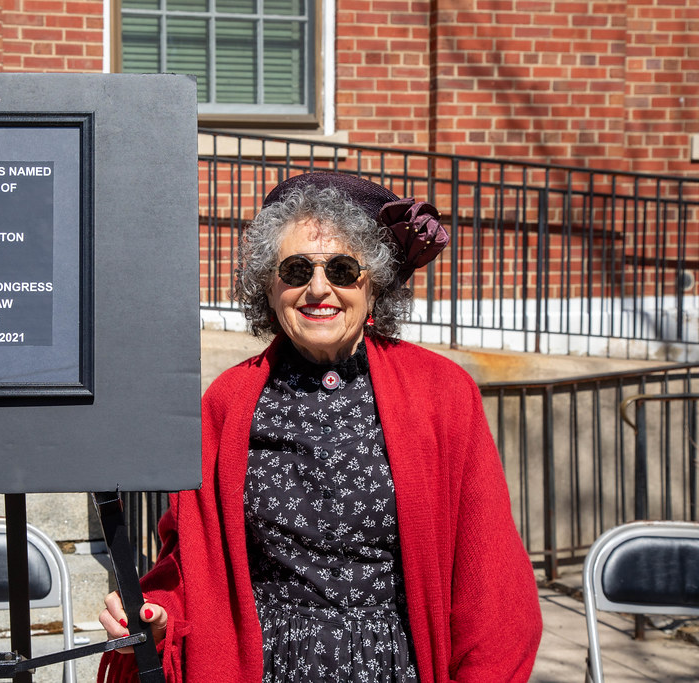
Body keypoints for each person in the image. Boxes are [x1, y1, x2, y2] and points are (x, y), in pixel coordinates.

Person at [98, 172, 542, 682]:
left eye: (343, 268)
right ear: (269, 285)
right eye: (295, 269)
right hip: (267, 668)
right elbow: (191, 565)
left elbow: (493, 585)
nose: (317, 288)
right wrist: (155, 614)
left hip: (396, 667)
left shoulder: (442, 394)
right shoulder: (228, 403)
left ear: (373, 283)